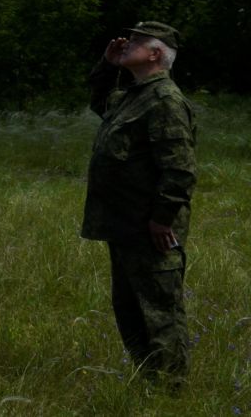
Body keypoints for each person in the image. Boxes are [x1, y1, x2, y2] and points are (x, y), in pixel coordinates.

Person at [83, 20, 197, 383]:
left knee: (160, 312)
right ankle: (148, 380)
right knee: (129, 309)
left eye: (136, 40)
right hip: (124, 225)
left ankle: (171, 389)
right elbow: (100, 100)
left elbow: (179, 169)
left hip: (151, 230)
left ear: (155, 53)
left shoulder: (165, 99)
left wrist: (162, 218)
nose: (126, 42)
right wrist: (107, 64)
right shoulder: (134, 96)